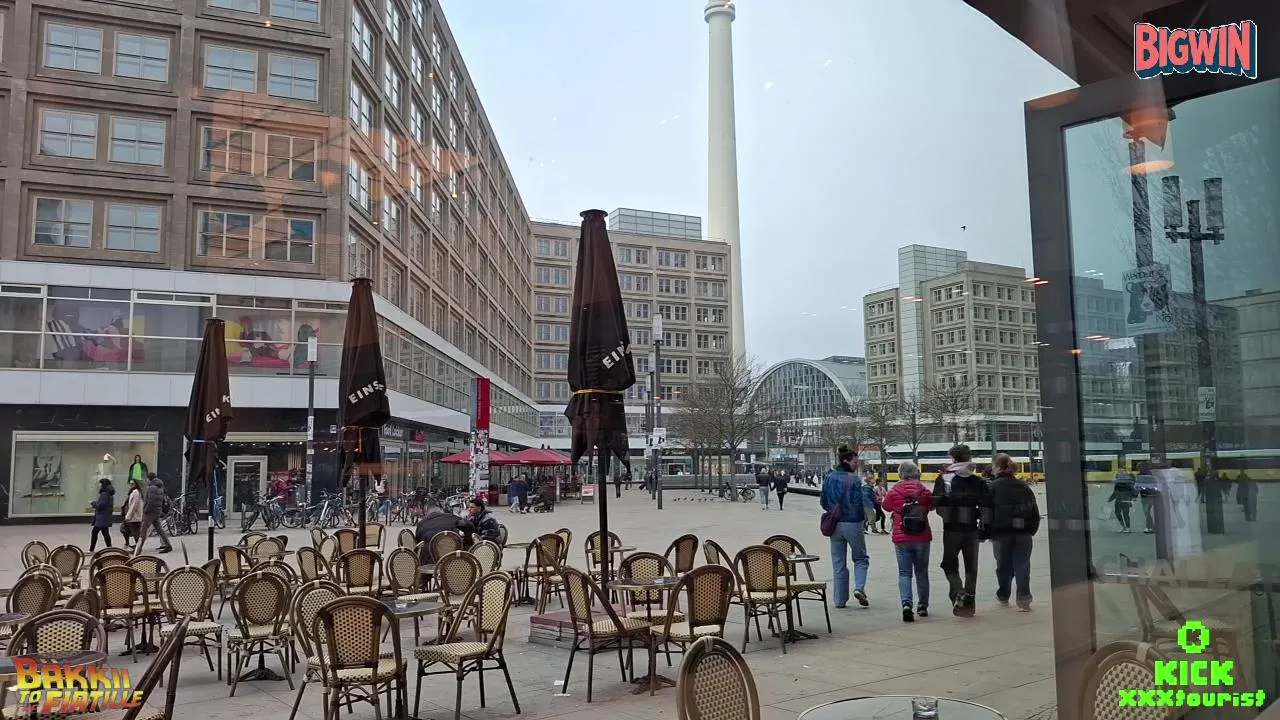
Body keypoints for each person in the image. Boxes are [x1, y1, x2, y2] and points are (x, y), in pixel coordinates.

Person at [933, 444, 989, 617]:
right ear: (969, 457)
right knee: (971, 567)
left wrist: (948, 515)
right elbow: (987, 506)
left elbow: (938, 504)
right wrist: (984, 529)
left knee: (949, 564)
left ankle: (958, 593)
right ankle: (969, 604)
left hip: (952, 529)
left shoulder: (945, 479)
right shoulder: (978, 481)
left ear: (953, 458)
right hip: (972, 529)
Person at [820, 445, 877, 608]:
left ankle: (839, 600)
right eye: (855, 462)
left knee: (838, 562)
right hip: (852, 522)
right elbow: (859, 502)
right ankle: (859, 588)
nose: (857, 465)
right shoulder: (855, 480)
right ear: (846, 461)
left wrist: (833, 510)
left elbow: (823, 501)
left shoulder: (829, 477)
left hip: (835, 523)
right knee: (860, 558)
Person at [987, 453, 1041, 611]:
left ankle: (1003, 594)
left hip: (1001, 533)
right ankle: (1024, 598)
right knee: (1022, 565)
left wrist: (986, 531)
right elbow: (1034, 512)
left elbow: (987, 512)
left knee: (1003, 566)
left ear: (998, 468)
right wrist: (1031, 530)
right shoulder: (1024, 487)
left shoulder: (992, 487)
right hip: (1023, 533)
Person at [882, 461, 934, 622]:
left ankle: (906, 604)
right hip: (922, 536)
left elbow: (886, 506)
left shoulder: (895, 490)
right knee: (922, 572)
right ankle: (923, 606)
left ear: (901, 474)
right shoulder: (924, 490)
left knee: (904, 573)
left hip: (902, 536)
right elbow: (931, 506)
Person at [138, 473, 173, 554]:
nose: (146, 481)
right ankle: (168, 545)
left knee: (143, 530)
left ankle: (138, 549)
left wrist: (146, 510)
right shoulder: (160, 487)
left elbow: (151, 501)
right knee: (159, 529)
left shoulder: (151, 488)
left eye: (147, 479)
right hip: (157, 511)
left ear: (149, 479)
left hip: (150, 512)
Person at [89, 478, 116, 551]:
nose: (99, 485)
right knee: (105, 533)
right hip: (106, 516)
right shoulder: (109, 493)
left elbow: (100, 505)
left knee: (94, 532)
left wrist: (93, 503)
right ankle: (109, 548)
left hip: (102, 517)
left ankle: (91, 549)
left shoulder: (104, 494)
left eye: (100, 483)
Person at [121, 478, 144, 551]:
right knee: (125, 530)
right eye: (130, 484)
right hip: (132, 516)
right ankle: (133, 546)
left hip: (134, 517)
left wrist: (128, 516)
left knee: (134, 533)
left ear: (136, 484)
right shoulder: (132, 492)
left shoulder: (136, 493)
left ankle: (137, 548)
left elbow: (133, 506)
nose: (130, 485)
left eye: (132, 484)